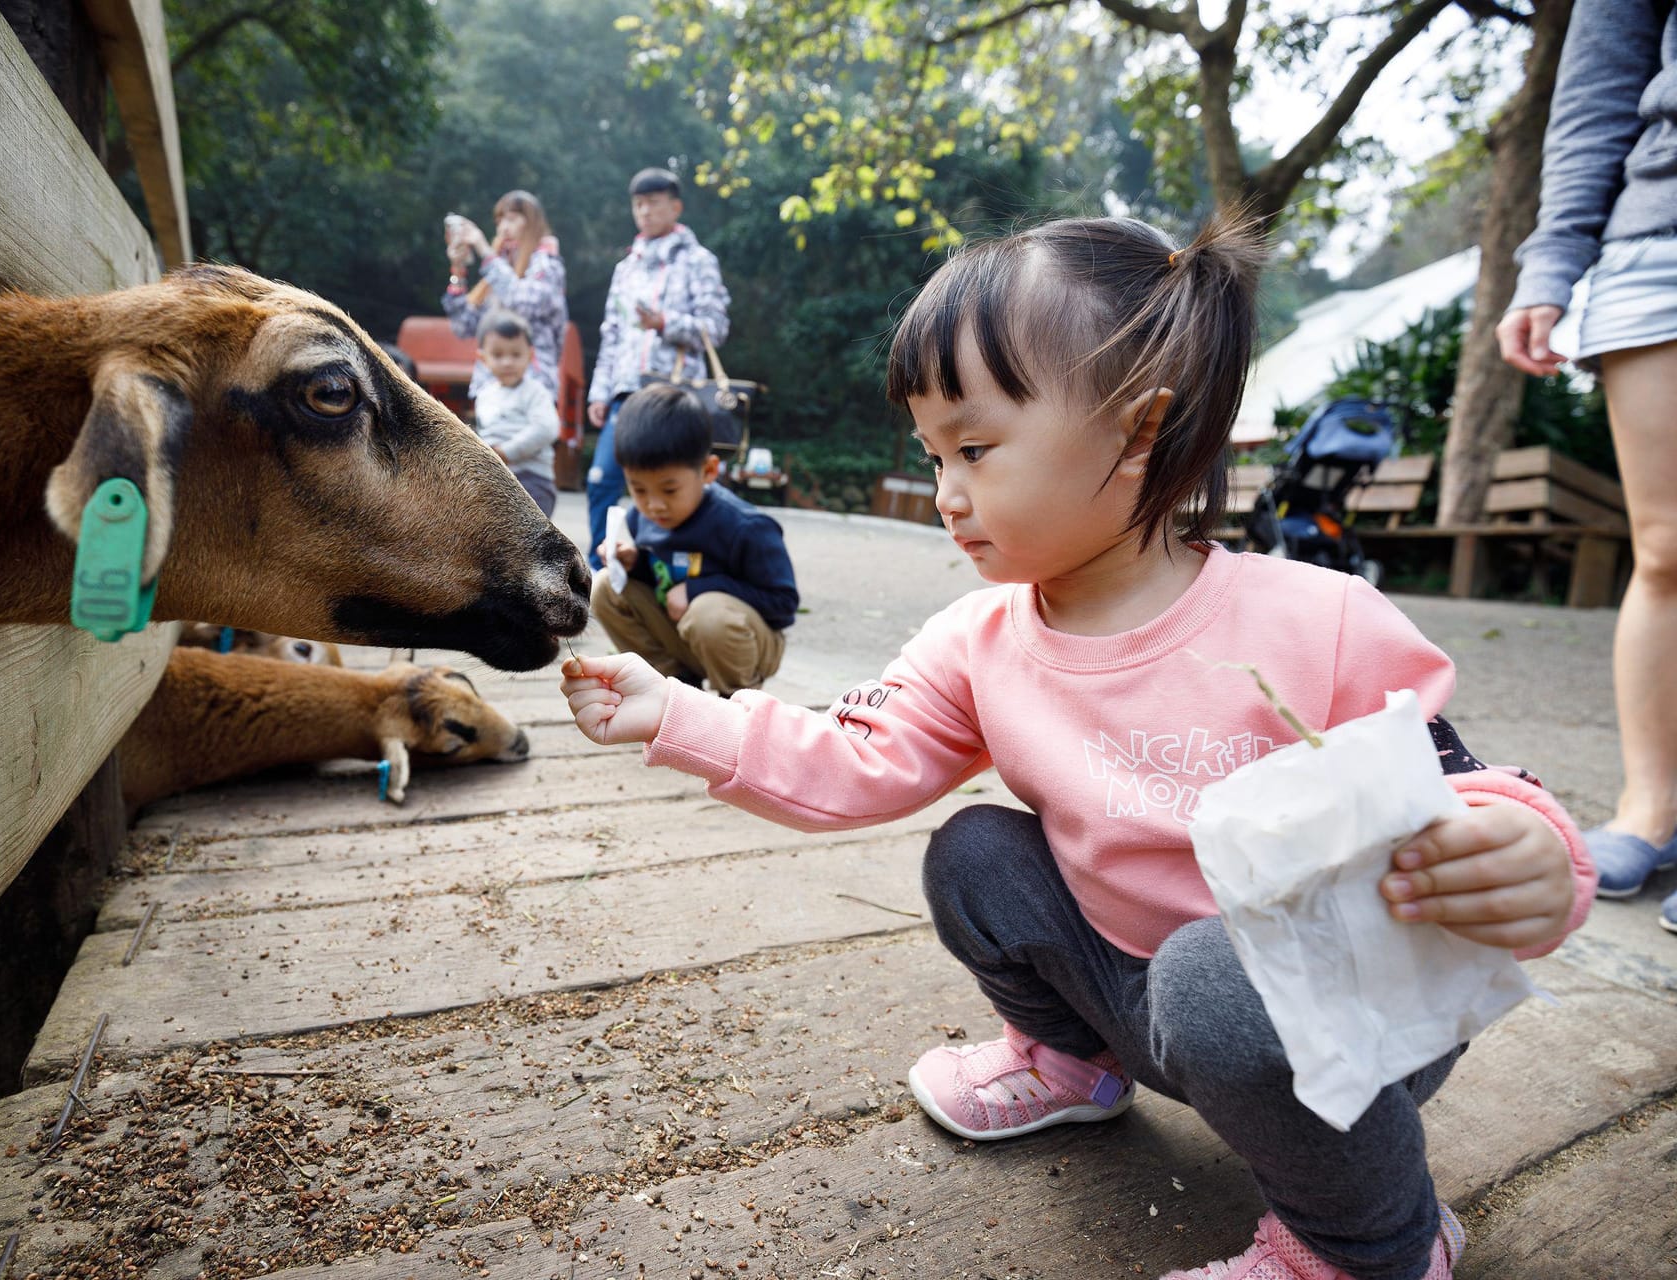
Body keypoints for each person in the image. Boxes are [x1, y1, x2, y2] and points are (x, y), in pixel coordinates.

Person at [562, 214, 1595, 1280]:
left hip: (1338, 1025)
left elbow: (1465, 787)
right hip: (1137, 996)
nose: (947, 493)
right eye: (933, 455)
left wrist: (1528, 853)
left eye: (974, 449)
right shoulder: (980, 639)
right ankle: (1074, 1065)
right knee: (974, 853)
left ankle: (1371, 1244)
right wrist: (676, 712)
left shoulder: (1316, 620)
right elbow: (852, 757)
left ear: (1139, 432)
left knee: (1208, 975)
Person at [1497, 0, 1677, 935]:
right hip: (1660, 234)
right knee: (1667, 549)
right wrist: (1551, 262)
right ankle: (1652, 809)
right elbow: (1600, 80)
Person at [590, 383, 795, 696]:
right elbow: (662, 576)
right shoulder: (642, 517)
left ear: (709, 470)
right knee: (605, 587)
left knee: (707, 614)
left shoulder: (745, 527)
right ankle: (676, 689)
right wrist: (634, 564)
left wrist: (699, 589)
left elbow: (783, 604)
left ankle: (738, 704)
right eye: (639, 489)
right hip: (685, 638)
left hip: (745, 645)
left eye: (669, 490)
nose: (654, 505)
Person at [584, 167, 732, 571]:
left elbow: (716, 328)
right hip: (625, 392)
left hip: (675, 395)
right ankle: (600, 573)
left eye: (653, 202)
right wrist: (600, 392)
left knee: (673, 484)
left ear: (675, 207)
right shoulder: (625, 268)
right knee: (602, 480)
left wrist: (664, 323)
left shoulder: (699, 261)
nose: (644, 211)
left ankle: (673, 571)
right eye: (638, 204)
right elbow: (611, 335)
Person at [443, 190, 567, 399]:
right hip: (490, 386)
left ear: (532, 223)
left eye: (511, 219)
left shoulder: (547, 263)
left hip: (533, 385)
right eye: (499, 221)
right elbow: (463, 327)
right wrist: (458, 269)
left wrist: (485, 251)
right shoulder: (498, 268)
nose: (503, 228)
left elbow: (524, 303)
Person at [472, 310, 561, 516]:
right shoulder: (484, 396)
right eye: (498, 355)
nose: (507, 362)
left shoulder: (535, 392)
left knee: (529, 533)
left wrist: (506, 452)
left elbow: (546, 428)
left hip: (532, 479)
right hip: (495, 478)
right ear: (483, 358)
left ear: (530, 355)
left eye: (516, 355)